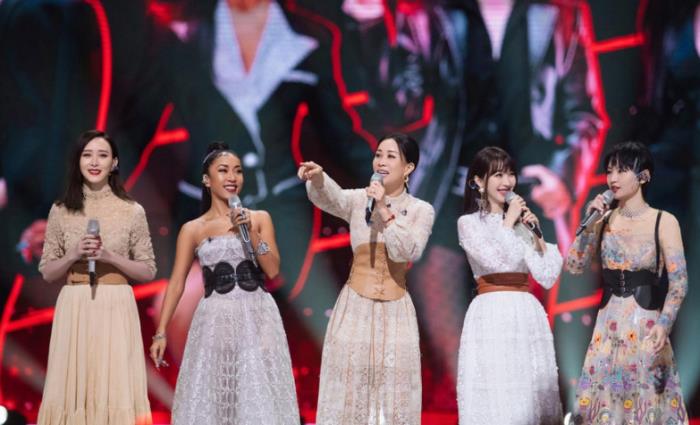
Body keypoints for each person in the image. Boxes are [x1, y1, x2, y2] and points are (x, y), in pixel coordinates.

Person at [149, 143, 299, 424]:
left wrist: (252, 233)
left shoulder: (259, 218)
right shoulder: (193, 229)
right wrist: (160, 332)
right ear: (207, 180)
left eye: (238, 171)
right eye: (223, 170)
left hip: (257, 312)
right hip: (215, 317)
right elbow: (177, 283)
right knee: (218, 395)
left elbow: (272, 268)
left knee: (258, 396)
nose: (232, 177)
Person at [297, 133, 434, 424]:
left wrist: (383, 208)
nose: (381, 161)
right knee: (350, 388)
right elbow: (332, 197)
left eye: (390, 156)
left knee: (394, 393)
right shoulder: (360, 199)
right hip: (355, 307)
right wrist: (319, 178)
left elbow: (407, 250)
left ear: (408, 168)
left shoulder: (422, 210)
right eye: (378, 154)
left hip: (396, 311)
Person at [37, 130, 155, 425]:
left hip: (116, 306)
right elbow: (48, 271)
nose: (94, 162)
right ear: (78, 161)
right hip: (75, 306)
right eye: (87, 154)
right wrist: (73, 254)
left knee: (114, 389)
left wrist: (109, 256)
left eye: (102, 155)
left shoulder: (132, 211)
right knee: (72, 391)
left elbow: (148, 270)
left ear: (114, 163)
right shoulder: (61, 210)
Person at [567, 141, 688, 424]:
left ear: (644, 176)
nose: (613, 178)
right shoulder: (603, 219)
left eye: (622, 170)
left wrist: (664, 324)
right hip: (607, 330)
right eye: (610, 171)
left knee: (645, 407)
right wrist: (589, 224)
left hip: (646, 328)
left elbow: (679, 282)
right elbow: (574, 265)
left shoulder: (663, 221)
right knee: (606, 407)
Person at [456, 146, 563, 425]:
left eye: (511, 174)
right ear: (478, 181)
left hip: (525, 312)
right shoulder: (468, 223)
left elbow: (547, 275)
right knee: (497, 389)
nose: (507, 182)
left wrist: (537, 236)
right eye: (498, 175)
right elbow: (495, 260)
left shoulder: (520, 224)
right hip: (491, 311)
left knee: (528, 394)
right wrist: (509, 221)